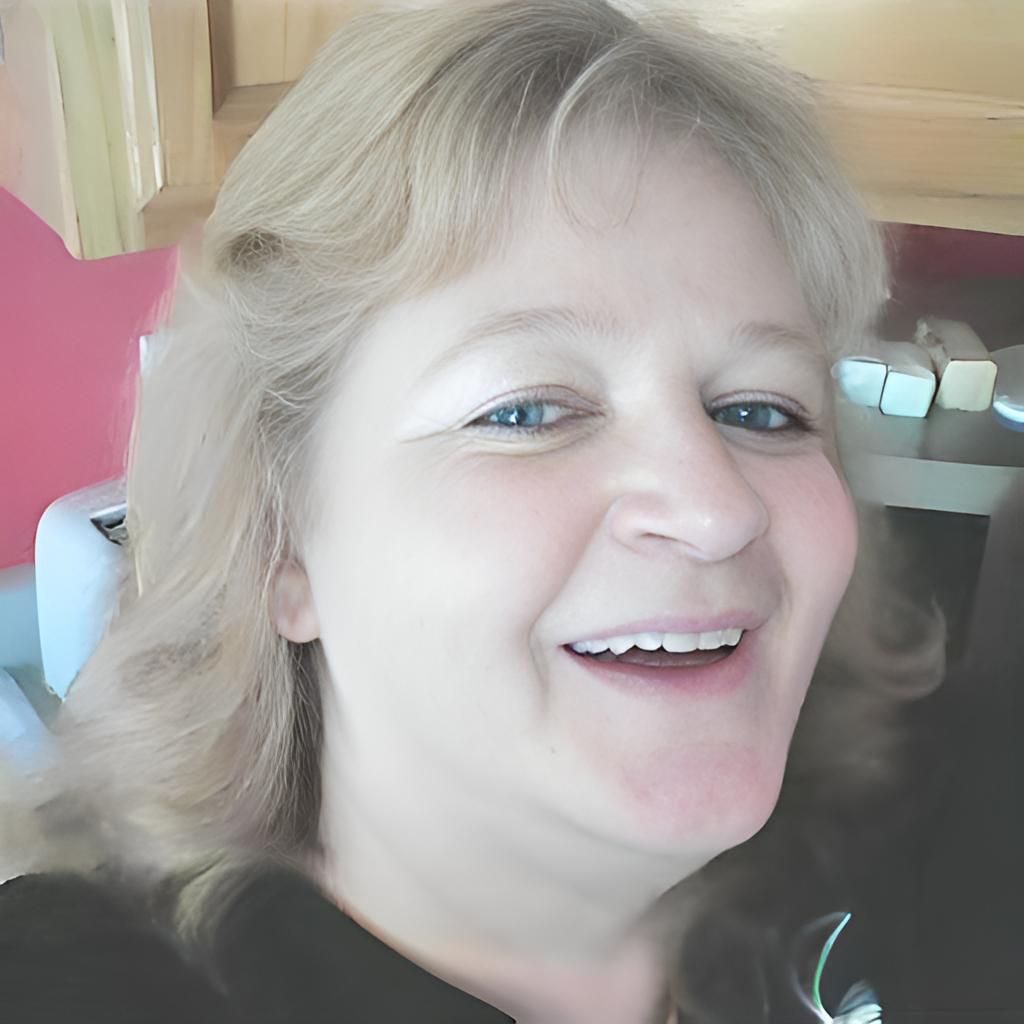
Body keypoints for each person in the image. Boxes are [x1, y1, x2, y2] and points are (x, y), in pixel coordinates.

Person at [0, 1, 947, 1021]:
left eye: (762, 409)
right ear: (279, 542)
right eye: (527, 411)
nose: (718, 510)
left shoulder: (915, 863)